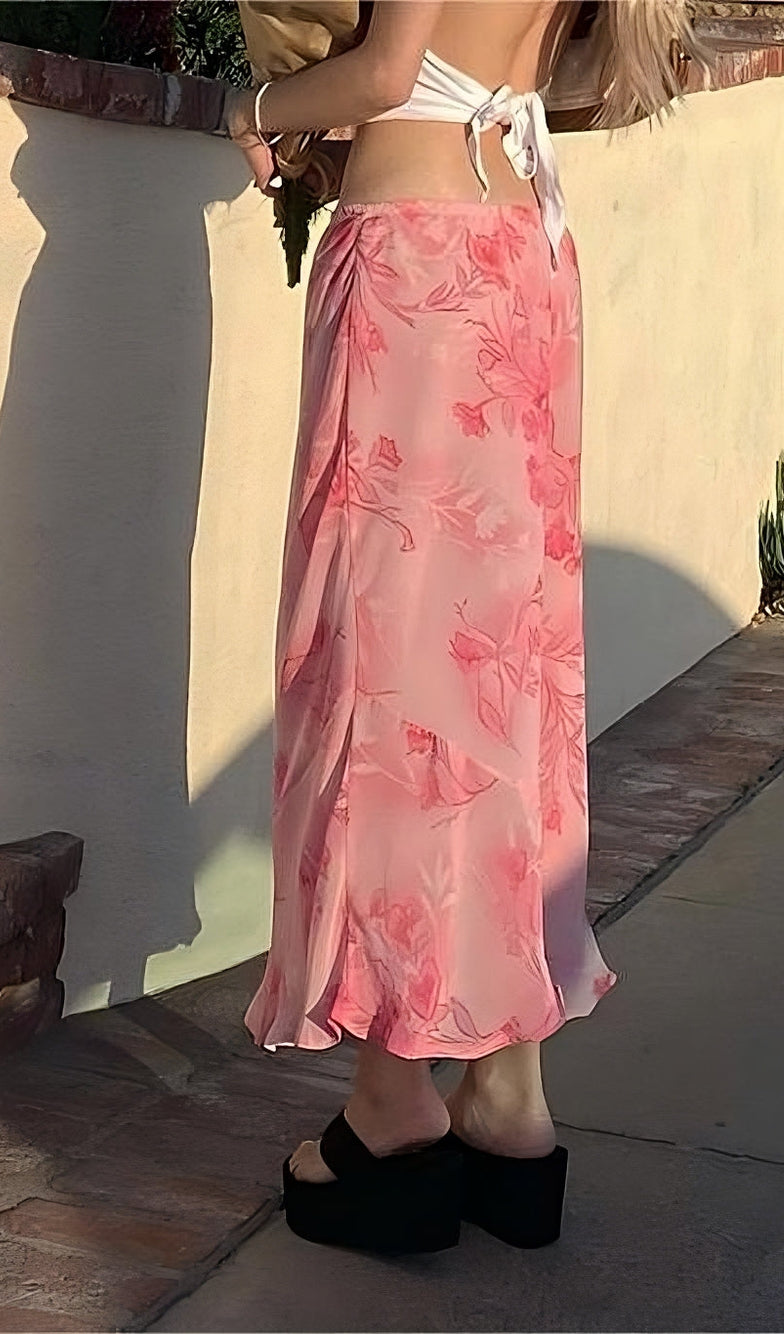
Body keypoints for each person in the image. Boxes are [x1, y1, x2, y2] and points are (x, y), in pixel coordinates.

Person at [223, 0, 713, 1254]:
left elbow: (386, 72)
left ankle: (393, 1100)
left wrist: (255, 106)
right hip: (518, 253)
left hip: (417, 270)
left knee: (391, 681)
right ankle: (506, 1093)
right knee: (508, 679)